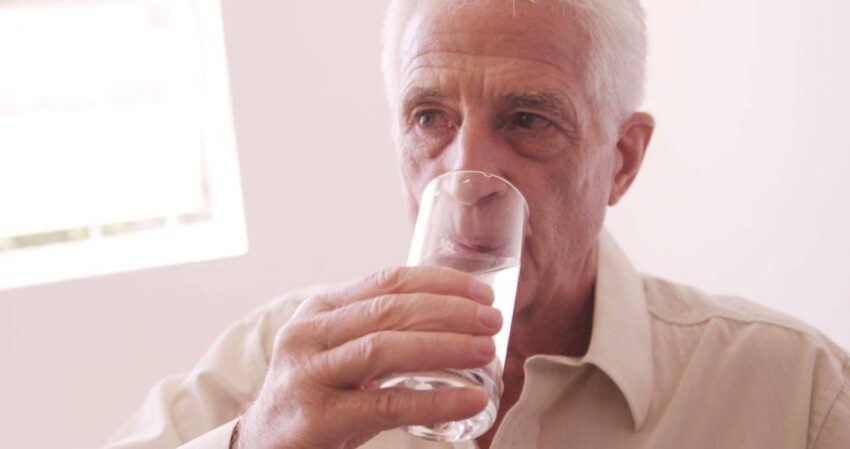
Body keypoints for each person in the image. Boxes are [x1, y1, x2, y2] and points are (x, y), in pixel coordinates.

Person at [106, 0, 850, 448]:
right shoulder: (279, 361)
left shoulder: (794, 393)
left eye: (528, 120)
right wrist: (256, 441)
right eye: (430, 117)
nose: (465, 177)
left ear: (622, 161)